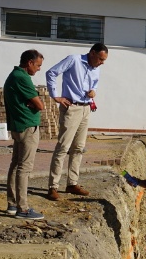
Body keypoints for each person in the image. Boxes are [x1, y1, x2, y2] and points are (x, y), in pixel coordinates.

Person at [44, 43, 109, 200]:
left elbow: (94, 85)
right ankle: (53, 186)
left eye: (104, 60)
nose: (102, 63)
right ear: (92, 53)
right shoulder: (74, 60)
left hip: (86, 108)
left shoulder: (96, 68)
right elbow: (51, 72)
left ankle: (72, 183)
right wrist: (55, 96)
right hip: (71, 108)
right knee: (63, 147)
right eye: (100, 59)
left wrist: (94, 91)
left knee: (79, 147)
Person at [4, 49, 46, 220]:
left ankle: (12, 203)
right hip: (27, 126)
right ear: (29, 62)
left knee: (16, 164)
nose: (39, 69)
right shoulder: (22, 77)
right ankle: (23, 208)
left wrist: (32, 102)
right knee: (24, 167)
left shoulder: (13, 76)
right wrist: (34, 102)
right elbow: (40, 105)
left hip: (18, 125)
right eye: (38, 65)